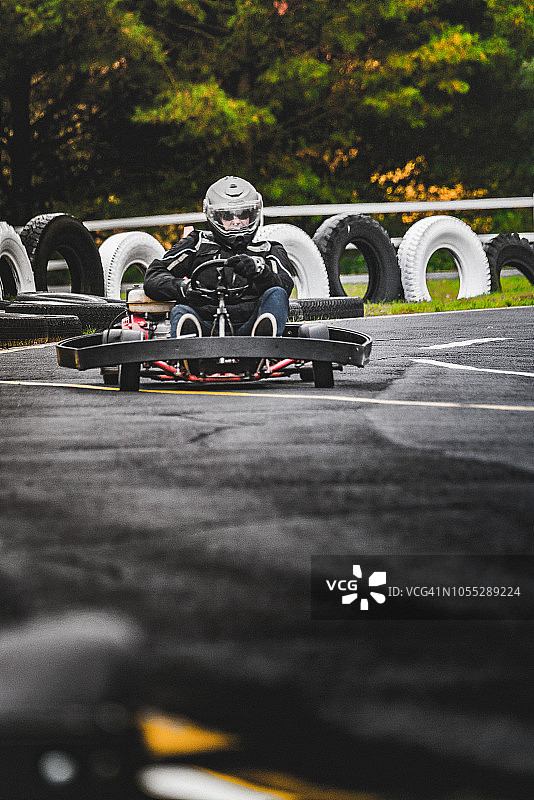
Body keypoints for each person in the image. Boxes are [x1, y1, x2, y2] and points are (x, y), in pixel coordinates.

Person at [143, 176, 294, 338]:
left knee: (277, 294)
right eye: (228, 216)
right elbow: (154, 276)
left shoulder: (268, 249)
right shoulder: (197, 243)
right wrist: (183, 287)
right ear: (215, 217)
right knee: (181, 311)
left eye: (243, 214)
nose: (236, 222)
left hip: (251, 324)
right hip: (206, 324)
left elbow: (285, 285)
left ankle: (263, 341)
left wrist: (260, 271)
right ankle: (190, 346)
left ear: (253, 214)